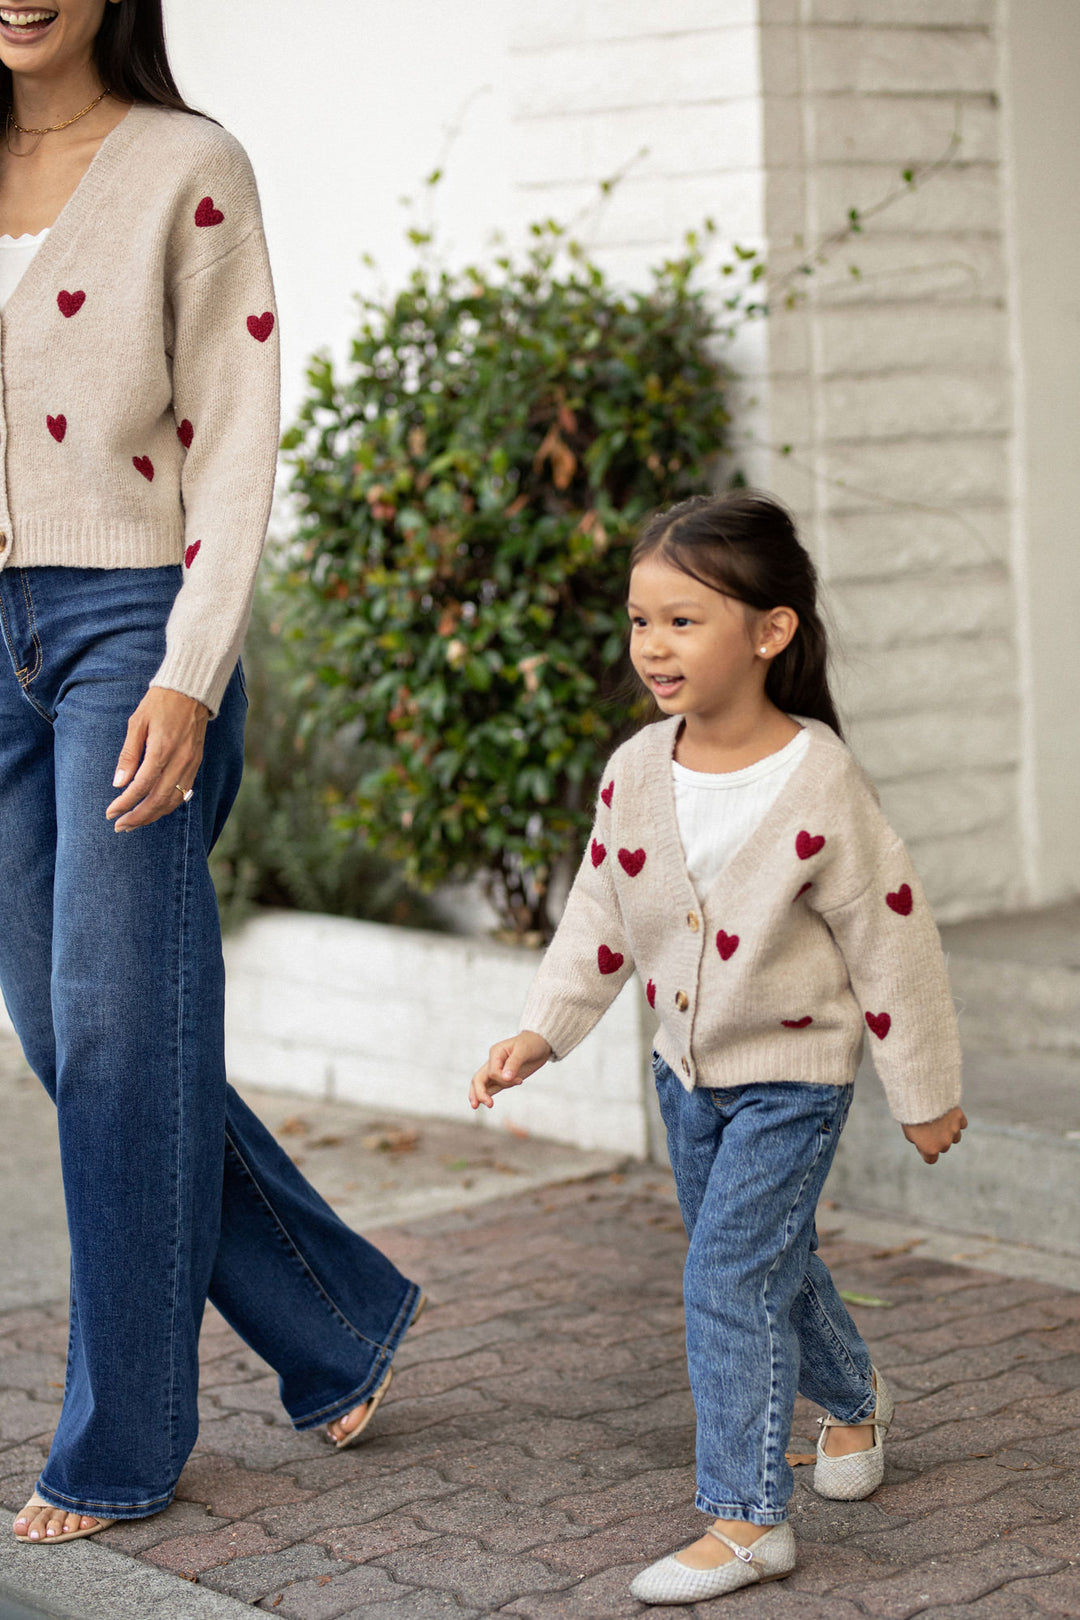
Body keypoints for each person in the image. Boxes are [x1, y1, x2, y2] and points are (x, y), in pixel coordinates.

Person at [1, 0, 422, 1546]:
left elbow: (236, 436)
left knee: (117, 1040)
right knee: (71, 1036)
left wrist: (192, 668)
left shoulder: (190, 163)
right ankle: (336, 1319)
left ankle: (120, 1445)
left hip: (129, 623)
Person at [469, 491, 967, 1605]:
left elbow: (892, 940)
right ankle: (855, 1397)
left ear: (770, 631)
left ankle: (746, 1520)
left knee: (726, 1276)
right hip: (684, 1077)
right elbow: (597, 915)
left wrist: (925, 1088)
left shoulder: (820, 780)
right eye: (642, 620)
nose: (653, 645)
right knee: (759, 1264)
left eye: (684, 620)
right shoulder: (636, 771)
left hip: (794, 1077)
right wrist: (539, 1034)